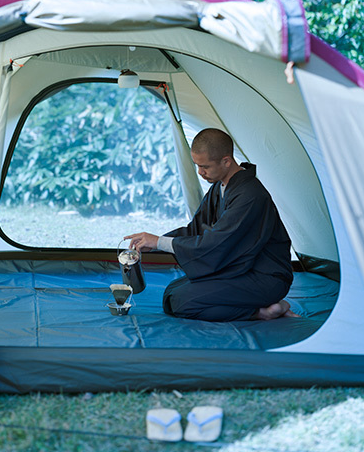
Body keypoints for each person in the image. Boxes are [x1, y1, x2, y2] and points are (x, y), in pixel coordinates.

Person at [125, 128, 298, 322]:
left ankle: (262, 313)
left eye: (205, 166)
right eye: (197, 165)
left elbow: (217, 243)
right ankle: (259, 307)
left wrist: (160, 243)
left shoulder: (250, 195)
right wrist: (154, 244)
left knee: (182, 302)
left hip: (265, 277)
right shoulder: (220, 187)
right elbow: (195, 229)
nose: (200, 172)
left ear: (226, 161)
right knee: (172, 291)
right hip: (240, 269)